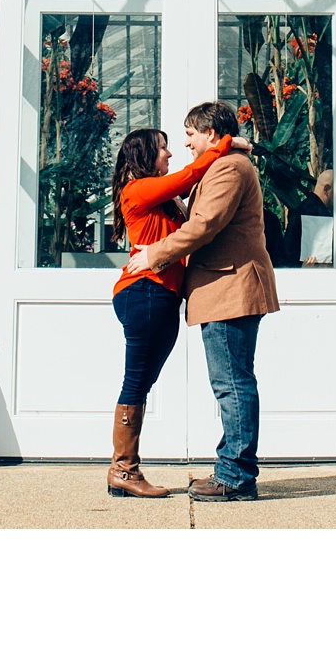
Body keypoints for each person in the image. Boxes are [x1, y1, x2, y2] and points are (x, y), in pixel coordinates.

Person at [127, 100, 279, 501]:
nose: (186, 143)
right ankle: (233, 470)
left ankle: (234, 478)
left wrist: (153, 254)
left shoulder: (229, 168)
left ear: (211, 134)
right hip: (222, 288)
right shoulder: (226, 163)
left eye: (191, 134)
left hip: (231, 288)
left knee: (232, 385)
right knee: (231, 383)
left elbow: (205, 225)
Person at [105, 124, 249, 498]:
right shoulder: (137, 189)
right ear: (144, 155)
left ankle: (125, 469)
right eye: (163, 148)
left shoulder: (163, 199)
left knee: (143, 382)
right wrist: (229, 143)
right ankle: (123, 470)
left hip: (161, 296)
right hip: (144, 293)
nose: (171, 154)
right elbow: (191, 174)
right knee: (136, 382)